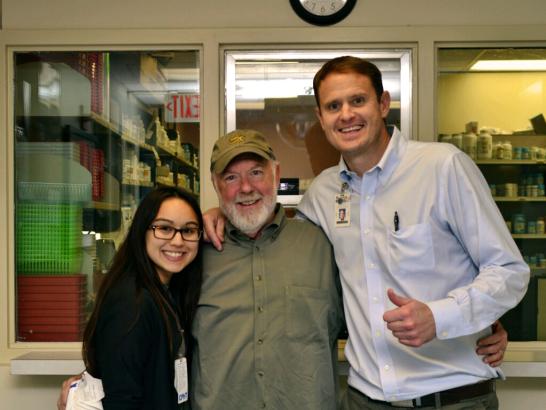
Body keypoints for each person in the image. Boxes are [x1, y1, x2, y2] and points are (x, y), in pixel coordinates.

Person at [204, 56, 524, 409]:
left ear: (383, 103)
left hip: (451, 397)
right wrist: (223, 211)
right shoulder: (323, 194)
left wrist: (446, 315)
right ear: (321, 118)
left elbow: (509, 271)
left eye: (358, 100)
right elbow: (272, 230)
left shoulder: (441, 167)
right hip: (366, 399)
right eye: (333, 105)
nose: (346, 115)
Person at [58, 130, 343, 410]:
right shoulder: (195, 257)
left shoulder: (321, 246)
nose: (245, 187)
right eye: (231, 177)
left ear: (276, 174)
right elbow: (138, 338)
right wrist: (92, 382)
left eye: (256, 172)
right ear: (216, 185)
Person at [64, 186, 203, 409]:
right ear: (142, 231)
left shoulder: (167, 290)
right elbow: (122, 399)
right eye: (165, 228)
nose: (178, 241)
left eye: (188, 230)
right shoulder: (131, 302)